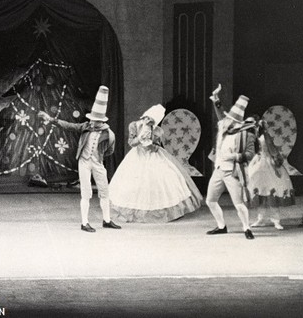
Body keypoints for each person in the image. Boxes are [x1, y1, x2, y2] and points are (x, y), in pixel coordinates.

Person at [38, 86, 121, 232]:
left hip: (97, 163)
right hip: (84, 162)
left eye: (95, 120)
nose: (92, 122)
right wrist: (52, 120)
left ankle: (107, 220)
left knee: (104, 191)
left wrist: (98, 157)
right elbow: (70, 126)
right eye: (92, 120)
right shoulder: (85, 127)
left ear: (101, 121)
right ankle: (84, 222)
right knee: (86, 192)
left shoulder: (109, 134)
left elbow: (110, 150)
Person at [109, 104, 203, 222]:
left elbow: (157, 145)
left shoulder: (157, 130)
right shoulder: (134, 125)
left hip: (153, 155)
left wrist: (152, 146)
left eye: (152, 121)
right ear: (144, 116)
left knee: (162, 179)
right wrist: (140, 139)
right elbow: (131, 142)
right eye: (147, 119)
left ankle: (165, 210)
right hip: (138, 155)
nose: (148, 122)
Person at [205, 84, 256, 239]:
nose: (224, 121)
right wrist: (216, 100)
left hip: (233, 172)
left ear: (235, 123)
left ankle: (247, 228)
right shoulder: (224, 128)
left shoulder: (245, 135)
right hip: (219, 170)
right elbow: (221, 115)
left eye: (228, 120)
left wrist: (234, 156)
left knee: (239, 203)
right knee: (210, 200)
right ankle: (221, 226)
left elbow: (250, 154)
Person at [248, 117, 295, 230]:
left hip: (267, 163)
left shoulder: (264, 136)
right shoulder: (248, 136)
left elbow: (272, 150)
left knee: (272, 191)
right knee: (260, 192)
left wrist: (276, 163)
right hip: (256, 164)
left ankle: (276, 220)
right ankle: (260, 219)